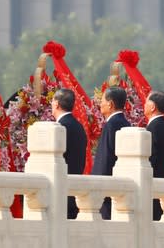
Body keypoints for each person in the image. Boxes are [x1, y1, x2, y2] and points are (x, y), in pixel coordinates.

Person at [91, 86, 130, 220]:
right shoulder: (126, 123)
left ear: (111, 104)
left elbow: (105, 158)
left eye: (102, 100)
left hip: (106, 187)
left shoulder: (111, 125)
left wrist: (96, 184)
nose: (100, 104)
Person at [51, 88, 87, 219]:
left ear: (56, 104)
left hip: (59, 191)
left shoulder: (59, 128)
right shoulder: (78, 127)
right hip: (73, 190)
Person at [144, 90, 164, 221]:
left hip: (151, 187)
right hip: (162, 186)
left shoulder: (153, 128)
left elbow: (151, 159)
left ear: (152, 107)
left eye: (146, 102)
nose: (144, 104)